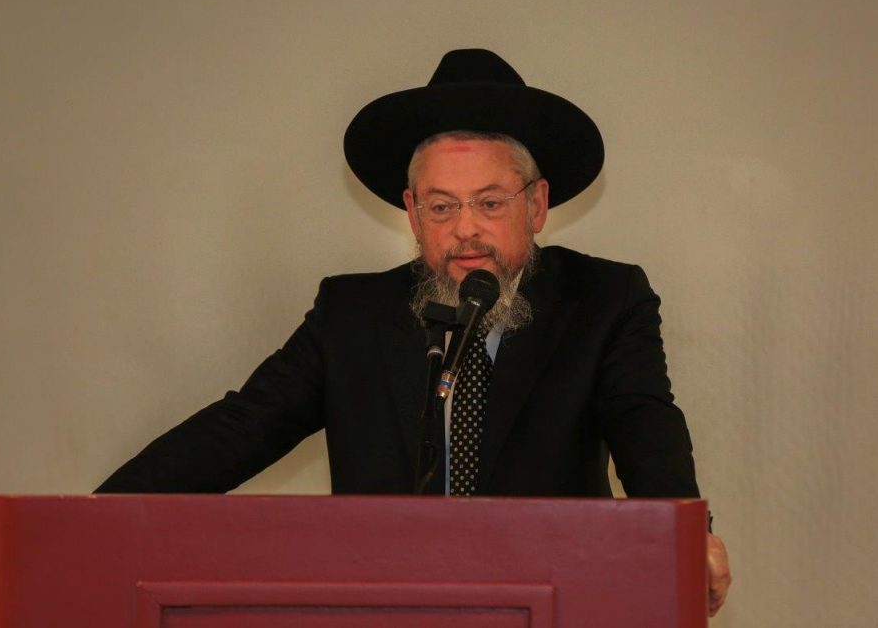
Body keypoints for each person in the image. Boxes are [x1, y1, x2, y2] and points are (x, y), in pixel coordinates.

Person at [96, 48, 731, 615]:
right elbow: (243, 424)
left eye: (490, 203)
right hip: (385, 604)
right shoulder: (351, 313)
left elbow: (646, 425)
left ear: (536, 205)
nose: (465, 230)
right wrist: (100, 519)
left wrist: (687, 535)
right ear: (412, 213)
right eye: (442, 206)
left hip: (552, 598)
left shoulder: (604, 299)